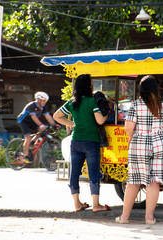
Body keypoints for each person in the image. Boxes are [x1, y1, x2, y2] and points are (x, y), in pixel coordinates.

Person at [115, 75, 163, 225]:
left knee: (133, 181)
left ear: (141, 90)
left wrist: (131, 136)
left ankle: (124, 217)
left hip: (139, 143)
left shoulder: (136, 105)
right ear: (156, 88)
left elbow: (128, 127)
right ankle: (149, 218)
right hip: (159, 143)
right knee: (154, 182)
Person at [53, 74, 111, 213]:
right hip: (91, 142)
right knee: (93, 173)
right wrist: (108, 112)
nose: (92, 85)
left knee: (74, 173)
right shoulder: (92, 101)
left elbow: (56, 116)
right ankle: (96, 205)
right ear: (88, 85)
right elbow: (100, 121)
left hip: (76, 141)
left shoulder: (73, 102)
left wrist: (72, 123)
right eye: (91, 83)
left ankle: (77, 204)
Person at [17, 91, 57, 163]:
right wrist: (41, 125)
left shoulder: (43, 107)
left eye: (46, 101)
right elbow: (34, 117)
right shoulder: (31, 106)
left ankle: (32, 142)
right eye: (43, 100)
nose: (45, 102)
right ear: (38, 100)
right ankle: (26, 156)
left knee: (42, 130)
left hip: (32, 122)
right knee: (28, 137)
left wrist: (54, 125)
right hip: (24, 121)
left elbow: (48, 116)